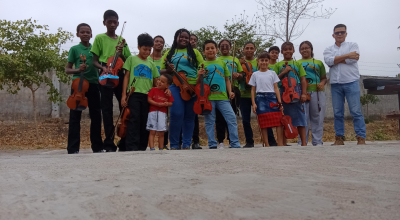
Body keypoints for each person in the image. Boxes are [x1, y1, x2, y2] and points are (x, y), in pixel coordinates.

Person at [91, 10, 131, 152]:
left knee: (124, 107)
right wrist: (103, 68)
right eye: (110, 22)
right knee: (106, 109)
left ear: (118, 23)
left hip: (119, 75)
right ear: (104, 23)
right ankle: (109, 143)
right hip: (106, 75)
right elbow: (94, 60)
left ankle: (124, 141)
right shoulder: (99, 38)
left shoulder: (122, 41)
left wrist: (120, 53)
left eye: (115, 22)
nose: (113, 24)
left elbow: (127, 61)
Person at [160, 29, 204, 150]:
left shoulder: (195, 52)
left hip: (192, 87)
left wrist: (199, 78)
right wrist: (168, 70)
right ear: (176, 38)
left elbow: (202, 66)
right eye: (181, 37)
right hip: (175, 85)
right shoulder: (169, 52)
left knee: (190, 116)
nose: (184, 39)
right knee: (176, 113)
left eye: (186, 37)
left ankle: (186, 144)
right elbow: (160, 70)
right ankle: (174, 145)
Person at [323, 24, 366, 145]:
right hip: (335, 84)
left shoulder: (353, 45)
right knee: (337, 112)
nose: (340, 34)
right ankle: (339, 138)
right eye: (337, 33)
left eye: (342, 32)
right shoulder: (328, 49)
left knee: (356, 111)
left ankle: (361, 137)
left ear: (346, 34)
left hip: (351, 82)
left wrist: (336, 60)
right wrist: (347, 55)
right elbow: (329, 61)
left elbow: (354, 59)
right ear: (333, 35)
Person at [66, 23, 103, 154]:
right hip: (78, 86)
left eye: (88, 32)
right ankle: (73, 148)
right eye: (82, 32)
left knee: (96, 116)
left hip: (93, 84)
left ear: (91, 34)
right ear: (78, 34)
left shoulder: (95, 49)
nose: (85, 34)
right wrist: (78, 69)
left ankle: (97, 147)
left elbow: (100, 64)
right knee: (75, 117)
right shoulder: (75, 49)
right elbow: (67, 69)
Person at [197, 40, 241, 149]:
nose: (210, 50)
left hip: (223, 98)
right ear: (203, 52)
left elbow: (227, 79)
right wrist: (199, 75)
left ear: (216, 50)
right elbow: (198, 84)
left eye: (212, 48)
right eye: (207, 48)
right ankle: (212, 144)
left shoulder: (222, 63)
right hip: (208, 99)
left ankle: (235, 143)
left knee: (231, 118)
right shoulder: (202, 65)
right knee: (210, 122)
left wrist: (230, 91)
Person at [121, 33, 160, 151]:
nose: (147, 52)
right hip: (133, 94)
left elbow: (156, 82)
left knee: (145, 120)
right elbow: (126, 77)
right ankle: (132, 146)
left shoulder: (151, 64)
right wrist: (124, 95)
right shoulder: (131, 59)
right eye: (144, 49)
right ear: (138, 47)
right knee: (134, 119)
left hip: (147, 96)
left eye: (149, 50)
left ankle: (142, 146)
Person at [239, 42, 278, 148]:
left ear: (254, 49)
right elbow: (238, 76)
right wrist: (240, 72)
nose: (249, 50)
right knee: (246, 120)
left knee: (265, 118)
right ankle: (249, 141)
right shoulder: (240, 62)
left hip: (259, 96)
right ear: (243, 50)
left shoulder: (259, 61)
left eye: (251, 48)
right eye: (247, 48)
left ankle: (271, 141)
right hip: (244, 94)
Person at [273, 42, 308, 146]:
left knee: (300, 117)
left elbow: (302, 79)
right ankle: (284, 143)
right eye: (285, 49)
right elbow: (274, 79)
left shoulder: (297, 64)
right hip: (283, 92)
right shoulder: (278, 65)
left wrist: (304, 94)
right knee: (284, 118)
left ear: (293, 50)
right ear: (282, 52)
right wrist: (284, 72)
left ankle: (304, 143)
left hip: (296, 91)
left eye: (290, 49)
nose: (287, 51)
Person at [249, 52, 284, 146]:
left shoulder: (272, 73)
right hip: (260, 99)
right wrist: (253, 103)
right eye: (262, 60)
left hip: (272, 97)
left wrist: (279, 101)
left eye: (266, 60)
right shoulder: (255, 74)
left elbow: (276, 87)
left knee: (278, 121)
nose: (264, 62)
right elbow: (253, 90)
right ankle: (267, 144)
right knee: (263, 122)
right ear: (258, 61)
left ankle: (280, 143)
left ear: (269, 61)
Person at [298, 41, 327, 146]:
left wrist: (322, 83)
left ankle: (317, 141)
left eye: (307, 48)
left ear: (311, 49)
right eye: (302, 48)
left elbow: (324, 78)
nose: (304, 50)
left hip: (317, 93)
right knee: (303, 118)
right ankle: (302, 141)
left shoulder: (318, 63)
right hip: (302, 93)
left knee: (317, 117)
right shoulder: (297, 63)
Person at [216, 39, 243, 148]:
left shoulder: (235, 59)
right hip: (222, 90)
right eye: (222, 46)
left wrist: (238, 75)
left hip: (234, 89)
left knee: (232, 116)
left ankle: (232, 140)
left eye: (227, 46)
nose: (225, 48)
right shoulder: (217, 60)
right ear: (219, 48)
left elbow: (242, 75)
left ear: (230, 47)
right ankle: (220, 140)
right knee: (219, 117)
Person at [148, 35, 171, 150]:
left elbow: (168, 77)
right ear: (152, 43)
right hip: (149, 92)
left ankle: (163, 145)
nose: (159, 43)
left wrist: (167, 88)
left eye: (161, 42)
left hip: (162, 95)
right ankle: (149, 145)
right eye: (156, 41)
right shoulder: (146, 58)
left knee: (163, 119)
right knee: (150, 120)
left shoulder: (165, 60)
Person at [147, 74, 174, 150]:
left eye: (162, 82)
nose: (159, 82)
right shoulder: (153, 90)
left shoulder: (168, 93)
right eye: (159, 80)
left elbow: (171, 103)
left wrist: (167, 104)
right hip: (153, 113)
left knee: (161, 132)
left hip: (162, 113)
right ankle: (152, 148)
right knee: (152, 131)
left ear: (167, 85)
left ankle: (161, 148)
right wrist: (157, 104)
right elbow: (149, 99)